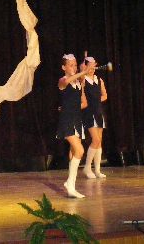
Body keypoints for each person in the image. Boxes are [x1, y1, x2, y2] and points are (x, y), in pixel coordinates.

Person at [57, 54, 89, 198]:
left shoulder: (78, 83)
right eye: (71, 65)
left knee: (73, 152)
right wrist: (83, 73)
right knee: (80, 150)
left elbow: (84, 103)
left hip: (76, 119)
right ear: (63, 67)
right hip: (67, 120)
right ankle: (70, 184)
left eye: (75, 65)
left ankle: (71, 185)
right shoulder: (62, 80)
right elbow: (66, 81)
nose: (74, 68)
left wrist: (82, 84)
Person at [80, 56, 108, 179]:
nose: (92, 68)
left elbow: (105, 95)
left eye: (94, 66)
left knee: (99, 141)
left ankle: (97, 170)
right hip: (88, 113)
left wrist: (97, 100)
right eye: (90, 66)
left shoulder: (99, 80)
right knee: (95, 140)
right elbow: (80, 77)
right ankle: (87, 167)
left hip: (98, 112)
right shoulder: (83, 80)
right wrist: (83, 70)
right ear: (86, 66)